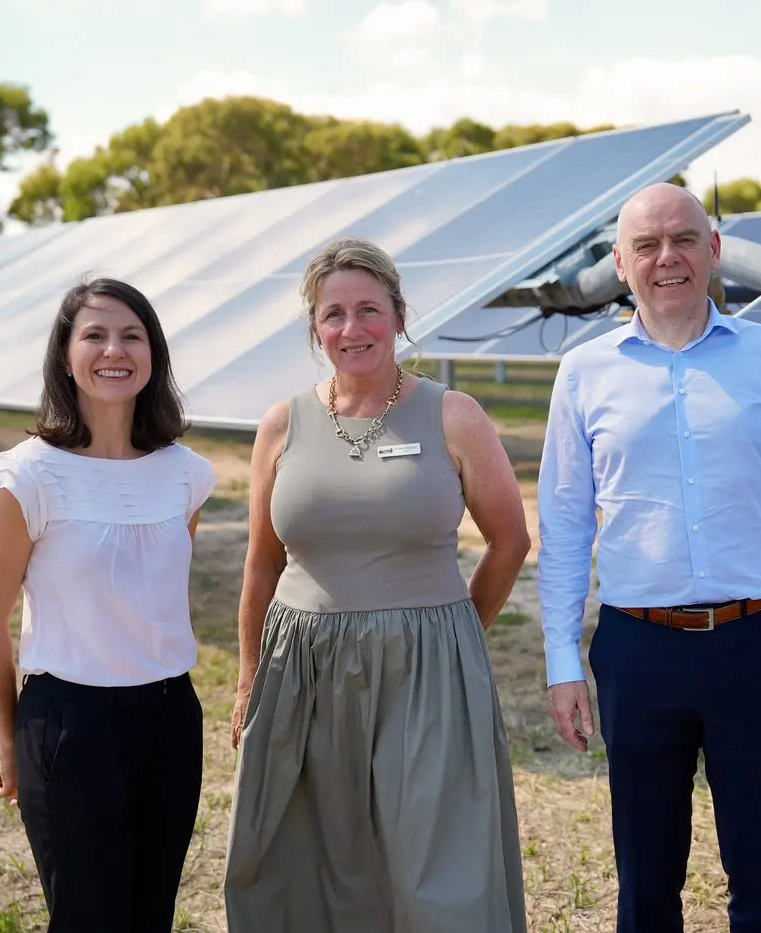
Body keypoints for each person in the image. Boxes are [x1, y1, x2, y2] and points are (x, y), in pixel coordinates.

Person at [536, 183, 761, 933]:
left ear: (714, 248)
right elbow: (563, 526)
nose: (667, 258)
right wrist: (562, 659)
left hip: (758, 646)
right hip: (637, 649)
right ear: (621, 264)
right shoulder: (584, 374)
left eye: (683, 239)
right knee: (646, 879)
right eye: (646, 245)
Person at [223, 236, 531, 933]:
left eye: (368, 309)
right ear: (314, 328)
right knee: (309, 861)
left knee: (437, 869)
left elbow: (510, 541)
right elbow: (261, 564)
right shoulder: (281, 425)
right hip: (301, 670)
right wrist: (248, 681)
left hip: (425, 670)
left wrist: (452, 633)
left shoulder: (454, 415)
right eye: (333, 314)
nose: (351, 328)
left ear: (398, 315)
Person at [0, 277, 218, 933]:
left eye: (132, 335)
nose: (115, 350)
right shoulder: (26, 477)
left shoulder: (184, 473)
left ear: (153, 353)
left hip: (170, 719)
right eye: (95, 334)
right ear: (65, 353)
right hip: (70, 725)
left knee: (150, 914)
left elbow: (158, 590)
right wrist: (8, 738)